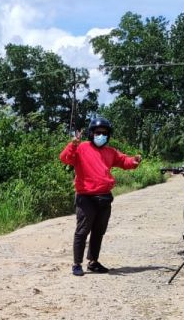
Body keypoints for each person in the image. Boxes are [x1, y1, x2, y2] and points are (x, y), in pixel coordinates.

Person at [59, 116, 141, 275]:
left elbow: (124, 161)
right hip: (86, 197)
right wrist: (72, 145)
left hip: (104, 197)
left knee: (98, 231)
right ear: (91, 133)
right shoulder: (81, 148)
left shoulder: (110, 152)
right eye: (98, 132)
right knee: (82, 231)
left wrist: (134, 161)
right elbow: (65, 158)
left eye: (104, 133)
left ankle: (93, 262)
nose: (101, 135)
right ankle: (77, 264)